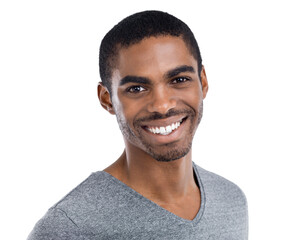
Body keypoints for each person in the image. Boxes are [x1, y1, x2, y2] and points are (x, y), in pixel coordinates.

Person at [27, 10, 248, 240]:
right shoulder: (69, 227)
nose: (162, 105)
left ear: (202, 82)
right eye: (137, 88)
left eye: (179, 80)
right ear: (107, 99)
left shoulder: (231, 200)